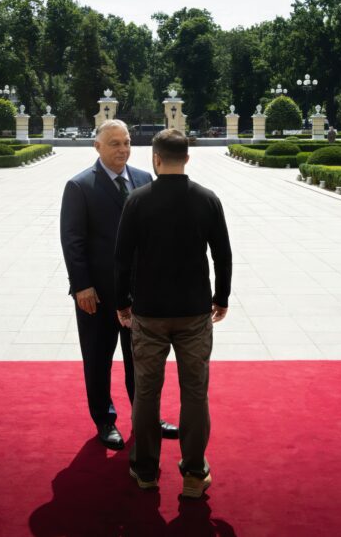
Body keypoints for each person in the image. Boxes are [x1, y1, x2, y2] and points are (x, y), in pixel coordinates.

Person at [115, 129, 232, 498]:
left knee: (147, 392)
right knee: (195, 392)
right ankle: (194, 473)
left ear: (156, 158)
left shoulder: (137, 201)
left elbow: (121, 259)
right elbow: (223, 255)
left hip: (149, 312)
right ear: (187, 158)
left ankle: (146, 470)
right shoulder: (207, 199)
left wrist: (121, 301)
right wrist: (222, 297)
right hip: (194, 311)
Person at [59, 119, 178, 450]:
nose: (123, 149)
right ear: (97, 147)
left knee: (142, 360)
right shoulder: (80, 186)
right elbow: (72, 241)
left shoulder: (143, 179)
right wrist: (81, 286)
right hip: (96, 294)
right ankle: (105, 420)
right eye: (115, 143)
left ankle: (146, 416)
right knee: (98, 358)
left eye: (126, 142)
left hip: (139, 293)